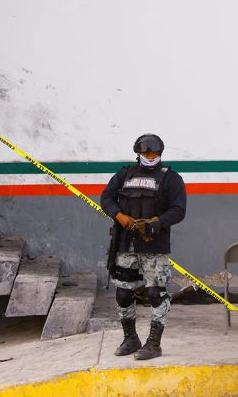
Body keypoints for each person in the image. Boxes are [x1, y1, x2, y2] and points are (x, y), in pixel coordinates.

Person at [100, 133, 187, 360]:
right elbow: (106, 198)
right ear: (138, 153)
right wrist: (119, 216)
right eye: (147, 153)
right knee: (123, 293)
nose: (151, 157)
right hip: (126, 244)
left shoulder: (171, 178)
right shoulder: (124, 174)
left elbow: (179, 210)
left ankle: (153, 344)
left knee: (155, 293)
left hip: (154, 246)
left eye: (155, 153)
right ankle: (130, 338)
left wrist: (156, 223)